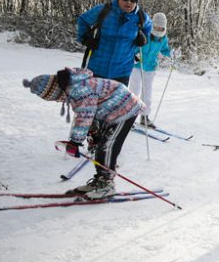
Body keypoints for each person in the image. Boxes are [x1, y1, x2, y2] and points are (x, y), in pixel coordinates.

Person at [23, 67, 143, 199]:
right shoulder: (74, 86)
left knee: (107, 146)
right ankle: (100, 181)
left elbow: (85, 115)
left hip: (125, 108)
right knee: (100, 145)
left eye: (53, 98)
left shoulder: (78, 89)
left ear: (54, 91)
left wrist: (75, 141)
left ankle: (107, 185)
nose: (57, 101)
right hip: (110, 111)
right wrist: (93, 132)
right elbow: (91, 111)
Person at [76, 0, 152, 85]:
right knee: (93, 100)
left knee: (116, 101)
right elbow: (83, 20)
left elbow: (148, 28)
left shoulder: (141, 17)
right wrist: (85, 37)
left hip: (122, 72)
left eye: (133, 0)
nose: (129, 2)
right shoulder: (104, 10)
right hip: (97, 67)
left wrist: (144, 38)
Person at [130, 12, 172, 128]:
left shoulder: (163, 38)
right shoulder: (145, 33)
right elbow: (134, 46)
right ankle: (130, 117)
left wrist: (172, 54)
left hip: (150, 67)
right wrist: (136, 56)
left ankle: (144, 116)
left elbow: (165, 50)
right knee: (134, 91)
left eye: (161, 27)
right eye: (157, 26)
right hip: (137, 66)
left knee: (147, 93)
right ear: (152, 25)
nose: (159, 29)